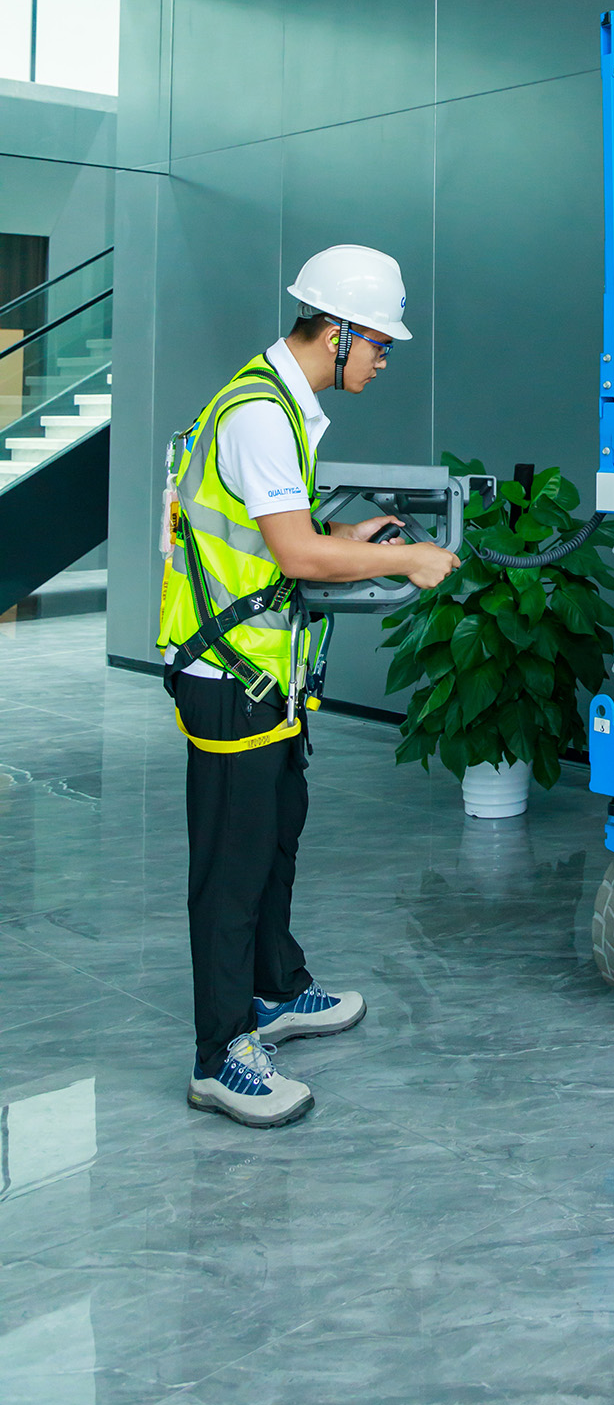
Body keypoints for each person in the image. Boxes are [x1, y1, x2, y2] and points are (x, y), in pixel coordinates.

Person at [158, 245, 459, 1129]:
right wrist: (404, 558)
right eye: (380, 343)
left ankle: (275, 990)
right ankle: (220, 1056)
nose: (383, 359)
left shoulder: (280, 404)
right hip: (230, 674)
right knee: (232, 866)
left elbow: (277, 533)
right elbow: (292, 556)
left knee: (274, 837)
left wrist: (350, 535)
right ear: (337, 332)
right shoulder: (260, 413)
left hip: (265, 673)